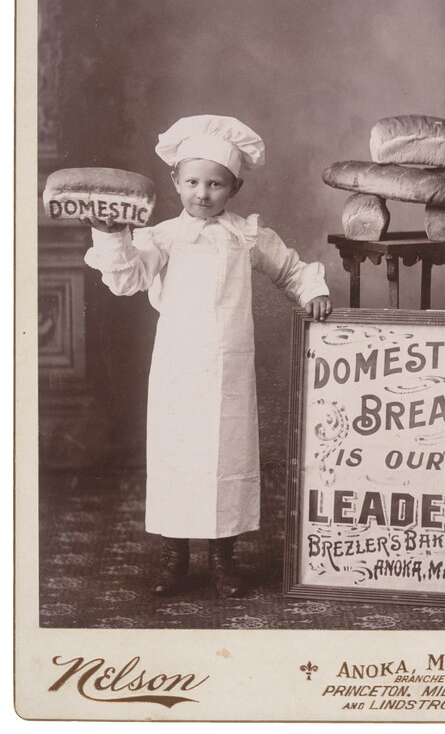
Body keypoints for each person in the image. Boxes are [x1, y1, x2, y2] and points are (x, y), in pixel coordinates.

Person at [83, 114, 332, 598]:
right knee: (177, 457)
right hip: (177, 368)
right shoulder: (162, 237)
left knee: (228, 458)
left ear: (234, 188)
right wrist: (112, 234)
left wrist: (313, 292)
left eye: (215, 184)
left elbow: (290, 269)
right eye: (193, 181)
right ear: (176, 181)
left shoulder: (246, 235)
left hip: (230, 373)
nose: (203, 193)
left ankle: (224, 560)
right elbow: (127, 278)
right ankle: (173, 559)